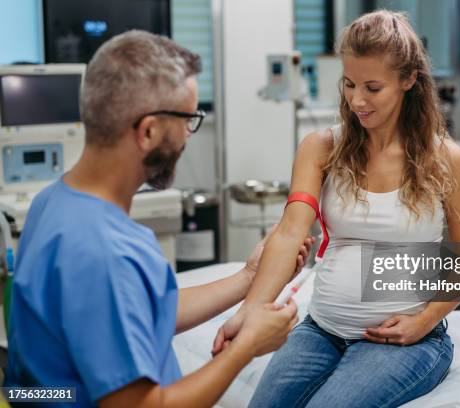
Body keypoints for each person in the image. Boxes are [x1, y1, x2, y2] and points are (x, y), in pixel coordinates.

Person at [4, 30, 314, 408]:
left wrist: (248, 278)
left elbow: (144, 310)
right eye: (188, 119)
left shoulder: (53, 201)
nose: (188, 134)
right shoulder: (106, 251)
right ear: (149, 130)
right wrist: (247, 347)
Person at [213, 10, 460, 407]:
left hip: (404, 341)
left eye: (373, 87)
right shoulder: (321, 148)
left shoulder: (446, 158)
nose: (357, 100)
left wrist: (424, 322)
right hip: (321, 329)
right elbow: (290, 232)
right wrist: (250, 311)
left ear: (409, 80)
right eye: (349, 84)